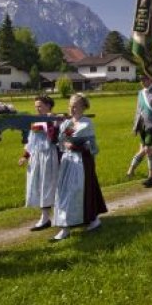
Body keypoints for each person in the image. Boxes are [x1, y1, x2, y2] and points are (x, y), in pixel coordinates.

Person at [51, 93, 106, 241]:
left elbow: (92, 146)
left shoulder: (86, 123)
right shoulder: (66, 123)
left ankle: (91, 219)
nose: (72, 109)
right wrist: (64, 142)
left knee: (79, 191)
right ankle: (65, 227)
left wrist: (75, 146)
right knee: (64, 192)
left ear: (83, 107)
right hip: (68, 162)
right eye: (70, 106)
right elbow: (60, 142)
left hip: (82, 162)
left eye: (75, 106)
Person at [19, 95, 60, 231]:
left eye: (40, 106)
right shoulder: (35, 121)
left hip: (49, 156)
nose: (37, 108)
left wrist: (49, 121)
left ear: (48, 106)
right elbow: (31, 140)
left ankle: (55, 216)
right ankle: (45, 217)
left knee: (48, 185)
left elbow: (54, 138)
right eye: (36, 106)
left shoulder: (54, 119)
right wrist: (25, 156)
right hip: (36, 157)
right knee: (38, 186)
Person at [128, 74, 152, 187]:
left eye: (145, 79)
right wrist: (135, 127)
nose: (143, 82)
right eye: (141, 80)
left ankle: (151, 177)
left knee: (148, 150)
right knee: (147, 150)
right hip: (142, 126)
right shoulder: (140, 93)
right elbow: (138, 111)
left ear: (150, 80)